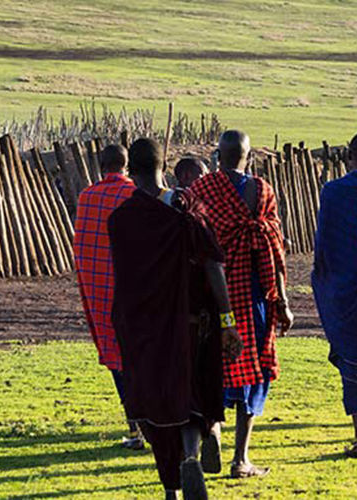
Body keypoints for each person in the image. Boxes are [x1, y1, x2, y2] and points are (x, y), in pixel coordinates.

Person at [108, 138, 242, 500]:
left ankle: (170, 490)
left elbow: (125, 282)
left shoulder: (121, 221)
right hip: (191, 324)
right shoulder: (187, 208)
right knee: (192, 398)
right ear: (163, 165)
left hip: (144, 332)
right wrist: (227, 321)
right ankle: (193, 454)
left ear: (130, 172)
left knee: (157, 405)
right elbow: (214, 264)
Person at [190, 130, 294, 479]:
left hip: (214, 296)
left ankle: (213, 431)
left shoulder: (202, 191)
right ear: (248, 157)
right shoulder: (262, 191)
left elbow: (193, 243)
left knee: (214, 365)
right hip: (254, 297)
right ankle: (240, 458)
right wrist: (282, 301)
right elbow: (275, 248)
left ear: (218, 156)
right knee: (254, 369)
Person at [311, 132, 357, 458]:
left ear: (348, 156)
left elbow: (323, 240)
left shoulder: (332, 191)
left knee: (351, 357)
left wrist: (321, 279)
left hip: (341, 287)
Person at [72, 144, 143, 449]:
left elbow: (83, 248)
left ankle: (135, 427)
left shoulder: (87, 197)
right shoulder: (135, 194)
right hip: (136, 291)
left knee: (116, 356)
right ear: (127, 167)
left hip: (100, 290)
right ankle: (153, 425)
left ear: (101, 166)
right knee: (142, 357)